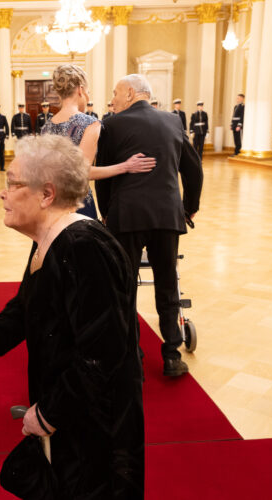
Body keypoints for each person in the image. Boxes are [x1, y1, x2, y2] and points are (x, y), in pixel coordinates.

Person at [0, 134, 144, 499]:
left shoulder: (85, 247)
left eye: (12, 183)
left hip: (97, 426)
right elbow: (27, 306)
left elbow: (102, 355)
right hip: (73, 415)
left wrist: (46, 415)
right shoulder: (49, 240)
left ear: (46, 194)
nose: (3, 193)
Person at [96, 74, 203, 377]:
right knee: (168, 287)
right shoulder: (172, 121)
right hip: (167, 218)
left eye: (115, 93)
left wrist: (106, 212)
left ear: (130, 93)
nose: (112, 99)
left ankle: (134, 356)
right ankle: (171, 355)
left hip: (125, 218)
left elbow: (104, 175)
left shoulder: (111, 125)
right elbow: (194, 171)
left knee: (124, 288)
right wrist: (189, 208)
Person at [40, 64, 155, 219]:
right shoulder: (90, 123)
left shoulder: (46, 127)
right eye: (88, 92)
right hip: (77, 204)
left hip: (51, 202)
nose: (88, 97)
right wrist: (126, 166)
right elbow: (83, 172)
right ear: (80, 90)